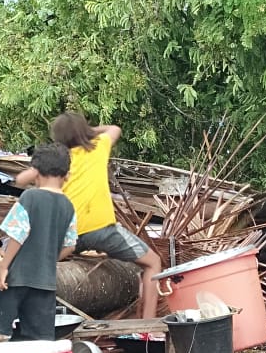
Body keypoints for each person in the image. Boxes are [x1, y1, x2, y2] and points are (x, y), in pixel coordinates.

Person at [16, 112, 163, 319]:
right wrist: (90, 132)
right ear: (84, 131)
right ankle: (148, 324)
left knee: (38, 267)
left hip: (68, 236)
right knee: (153, 263)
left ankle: (22, 311)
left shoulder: (57, 162)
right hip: (102, 229)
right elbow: (115, 128)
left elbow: (21, 179)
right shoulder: (98, 147)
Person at [0, 143, 77, 344]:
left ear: (37, 172)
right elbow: (70, 245)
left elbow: (18, 234)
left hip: (17, 278)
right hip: (46, 283)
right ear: (65, 174)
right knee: (39, 338)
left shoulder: (30, 197)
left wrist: (3, 267)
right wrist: (48, 259)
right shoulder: (68, 206)